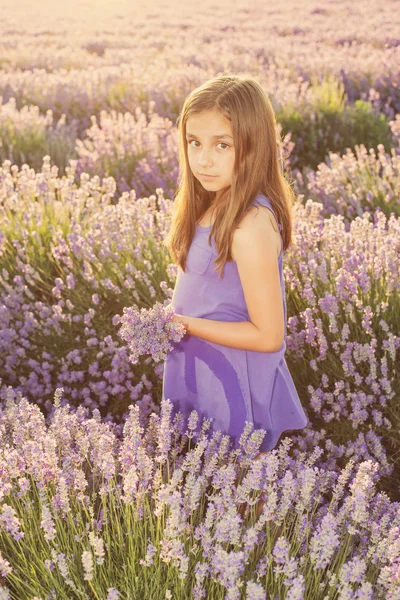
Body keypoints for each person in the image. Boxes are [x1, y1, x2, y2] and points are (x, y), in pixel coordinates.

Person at [162, 74, 309, 517]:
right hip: (203, 366)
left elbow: (269, 336)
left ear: (253, 144)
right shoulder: (212, 201)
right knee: (209, 494)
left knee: (245, 504)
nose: (204, 159)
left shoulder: (249, 224)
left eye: (222, 145)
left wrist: (182, 325)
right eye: (194, 142)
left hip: (232, 379)